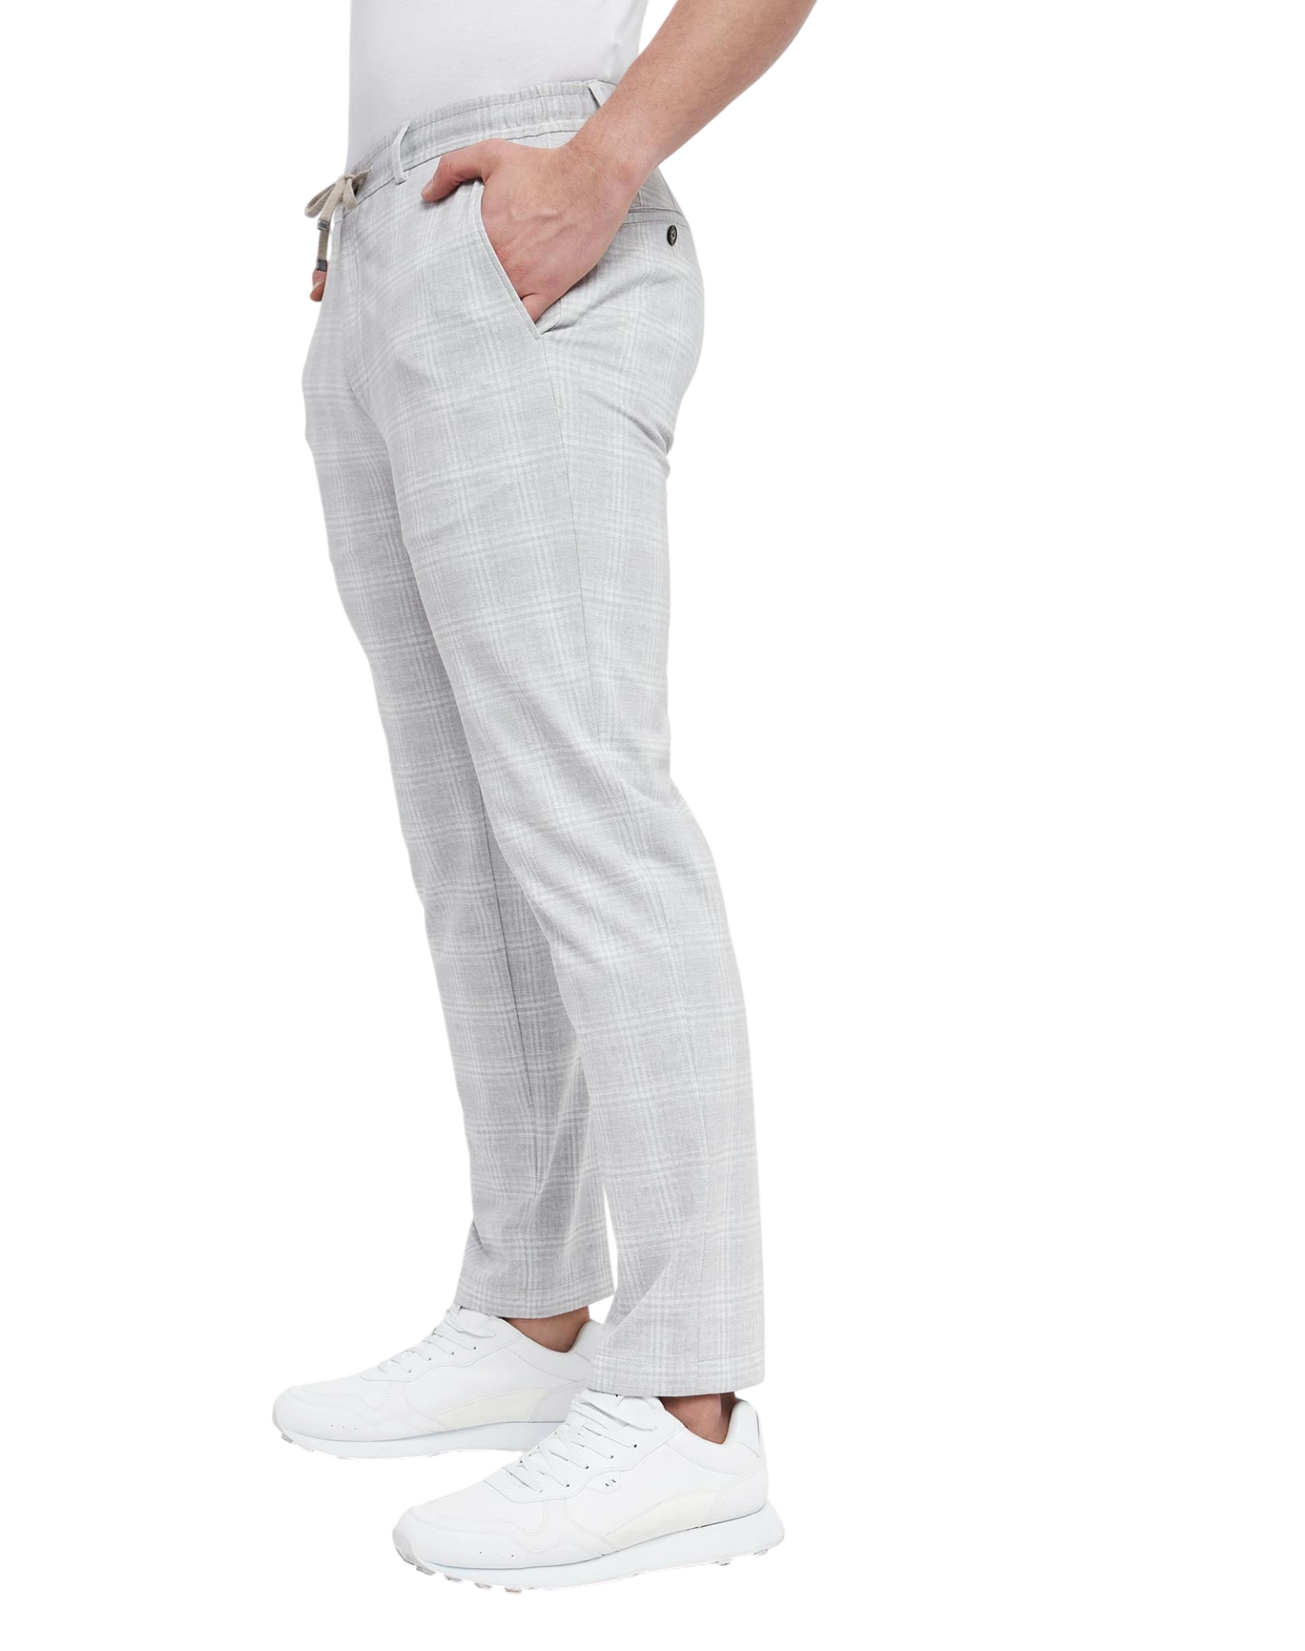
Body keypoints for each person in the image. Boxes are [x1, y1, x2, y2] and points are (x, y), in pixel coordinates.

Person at [285, 0, 815, 1592]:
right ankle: (533, 1313)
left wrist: (602, 161)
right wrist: (369, 228)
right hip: (387, 230)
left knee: (590, 818)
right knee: (468, 841)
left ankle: (688, 1405)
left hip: (533, 196)